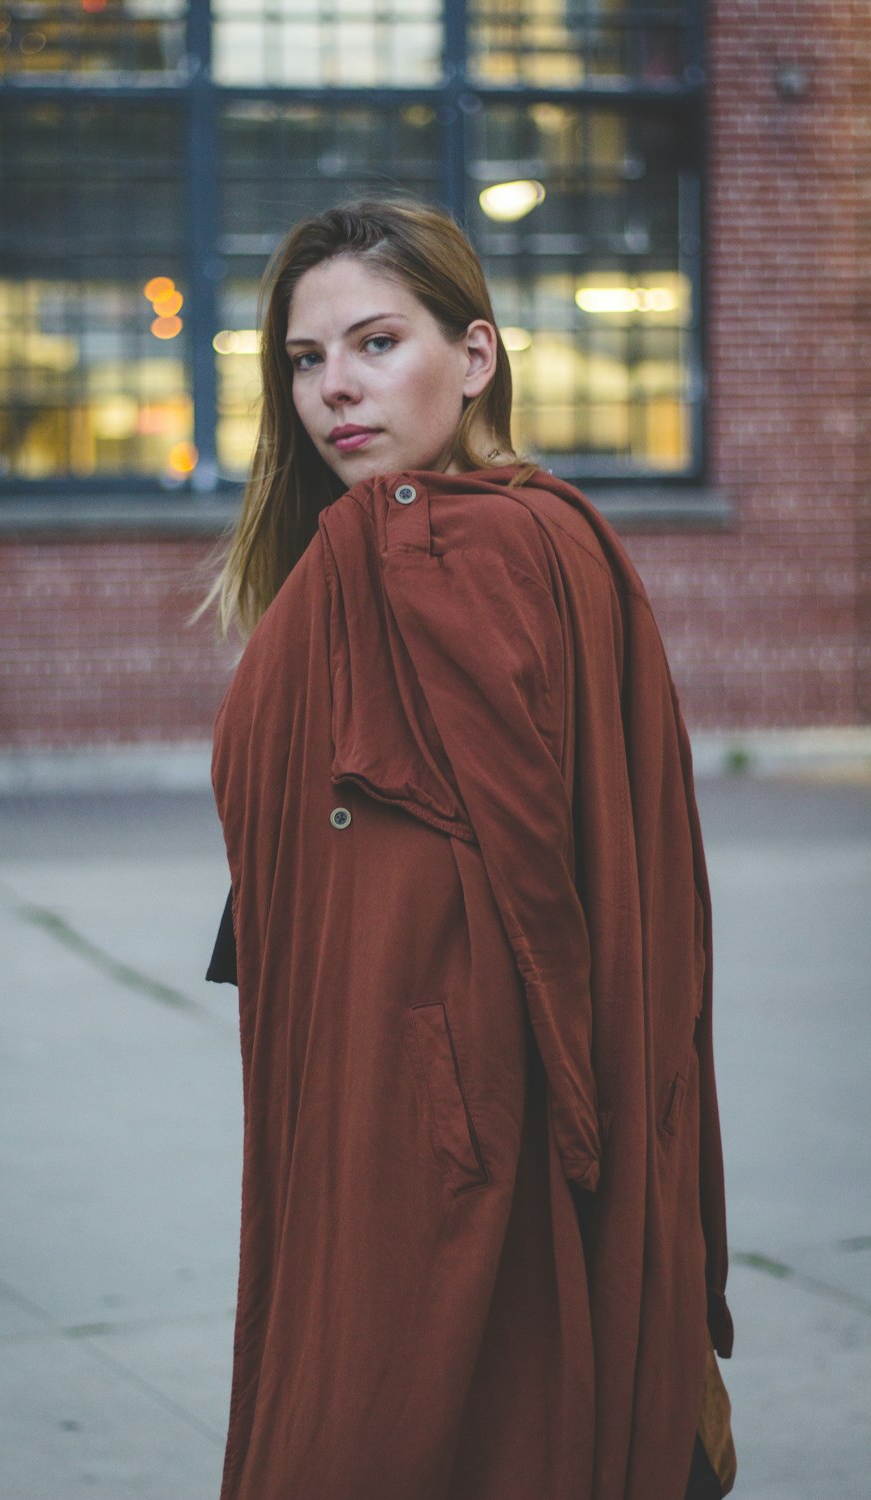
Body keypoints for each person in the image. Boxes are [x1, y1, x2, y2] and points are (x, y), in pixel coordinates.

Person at [205, 200, 736, 1500]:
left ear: (478, 355)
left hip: (442, 1132)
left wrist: (570, 1156)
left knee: (402, 1425)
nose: (335, 387)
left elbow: (548, 892)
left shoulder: (454, 549)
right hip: (386, 1085)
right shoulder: (537, 536)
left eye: (377, 343)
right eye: (303, 357)